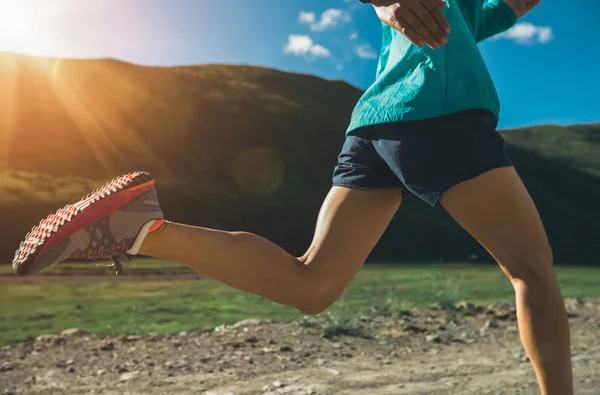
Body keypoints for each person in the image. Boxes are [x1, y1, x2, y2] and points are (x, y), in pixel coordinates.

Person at [13, 0, 572, 394]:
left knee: (312, 284)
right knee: (532, 271)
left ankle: (139, 229)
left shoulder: (471, 14)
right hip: (441, 113)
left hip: (372, 127)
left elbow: (514, 4)